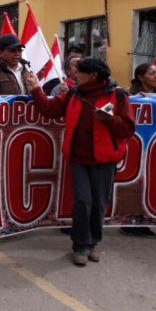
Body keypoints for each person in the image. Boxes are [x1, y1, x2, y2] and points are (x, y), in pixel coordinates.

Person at [24, 58, 136, 266]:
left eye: (80, 72)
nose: (75, 75)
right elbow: (49, 109)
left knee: (99, 204)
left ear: (93, 75)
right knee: (83, 201)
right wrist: (35, 88)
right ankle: (81, 246)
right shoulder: (73, 94)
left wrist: (109, 119)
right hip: (78, 159)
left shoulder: (118, 96)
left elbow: (128, 130)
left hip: (104, 160)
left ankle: (93, 243)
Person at [117, 63, 156, 238]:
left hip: (155, 150)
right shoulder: (129, 95)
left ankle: (143, 221)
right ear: (141, 77)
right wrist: (134, 99)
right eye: (152, 73)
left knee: (151, 185)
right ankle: (129, 221)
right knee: (134, 185)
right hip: (135, 148)